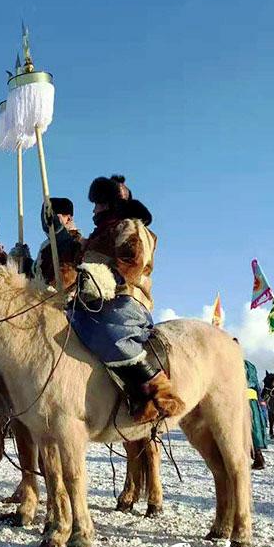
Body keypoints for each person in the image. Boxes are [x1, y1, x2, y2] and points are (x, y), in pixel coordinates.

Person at [69, 174, 184, 424]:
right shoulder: (101, 234)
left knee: (108, 332)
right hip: (96, 301)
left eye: (98, 203)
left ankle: (160, 389)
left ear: (110, 204)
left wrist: (102, 276)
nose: (94, 209)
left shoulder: (130, 227)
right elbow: (80, 257)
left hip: (125, 299)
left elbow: (133, 262)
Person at [35, 197, 86, 289]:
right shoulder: (46, 247)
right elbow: (36, 275)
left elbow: (63, 240)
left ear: (69, 218)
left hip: (68, 298)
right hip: (43, 298)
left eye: (56, 216)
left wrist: (56, 225)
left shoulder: (77, 242)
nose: (46, 222)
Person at [243, 354, 268, 469]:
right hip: (253, 399)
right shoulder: (250, 365)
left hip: (240, 399)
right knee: (254, 428)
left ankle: (257, 457)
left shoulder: (232, 363)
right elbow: (257, 385)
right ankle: (258, 456)